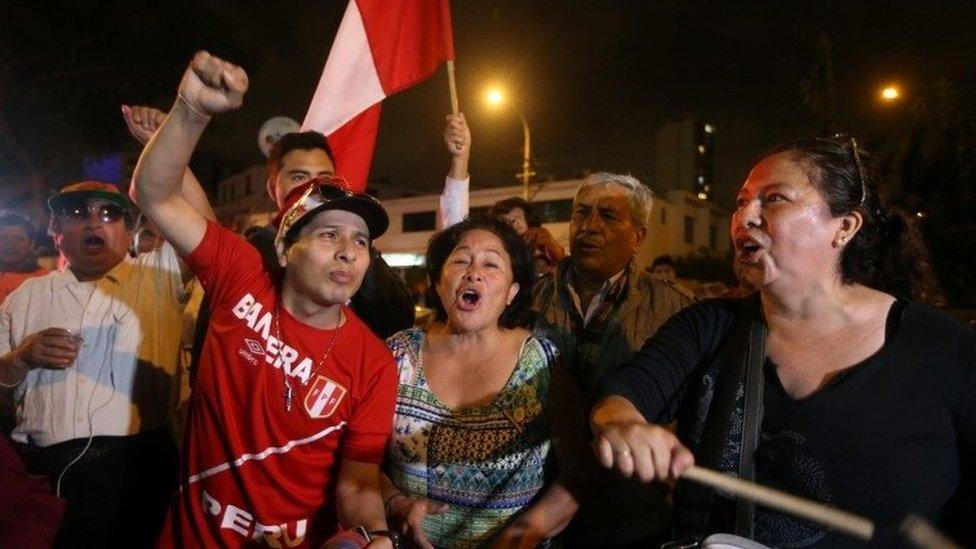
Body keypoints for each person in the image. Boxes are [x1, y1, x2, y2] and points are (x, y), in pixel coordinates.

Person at [591, 136, 975, 547]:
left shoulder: (945, 349)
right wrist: (622, 424)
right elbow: (622, 395)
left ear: (844, 226)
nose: (745, 218)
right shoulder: (710, 326)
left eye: (773, 199)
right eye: (741, 202)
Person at [132, 51, 398, 548]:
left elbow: (359, 479)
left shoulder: (375, 364)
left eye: (361, 242)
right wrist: (191, 109)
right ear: (284, 248)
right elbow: (154, 194)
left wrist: (370, 536)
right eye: (328, 236)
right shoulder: (240, 274)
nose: (347, 253)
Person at [0, 180, 201, 546]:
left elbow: (202, 228)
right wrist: (22, 358)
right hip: (46, 472)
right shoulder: (24, 298)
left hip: (139, 465)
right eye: (77, 213)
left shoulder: (161, 276)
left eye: (109, 213)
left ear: (127, 231)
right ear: (54, 229)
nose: (94, 223)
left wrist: (182, 131)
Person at [382, 217, 580, 548]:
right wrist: (396, 504)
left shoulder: (541, 362)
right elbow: (357, 464)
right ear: (439, 282)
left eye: (491, 264)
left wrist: (518, 537)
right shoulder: (397, 355)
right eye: (461, 260)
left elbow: (580, 471)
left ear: (511, 293)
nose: (473, 272)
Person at [532, 172, 694, 547]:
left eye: (607, 216)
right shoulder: (523, 300)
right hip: (534, 507)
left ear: (638, 236)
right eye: (581, 213)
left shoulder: (677, 311)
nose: (589, 227)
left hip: (629, 520)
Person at [490, 196, 566, 277]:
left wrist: (556, 252)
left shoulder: (542, 254)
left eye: (514, 221)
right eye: (503, 223)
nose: (508, 227)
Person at [0, 211, 49, 304]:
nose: (10, 244)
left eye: (18, 239)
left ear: (31, 244)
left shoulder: (47, 281)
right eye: (3, 238)